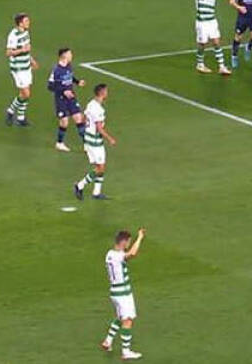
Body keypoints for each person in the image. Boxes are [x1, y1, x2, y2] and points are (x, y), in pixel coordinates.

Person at [100, 228, 145, 360]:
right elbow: (132, 253)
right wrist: (140, 237)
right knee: (128, 320)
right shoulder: (119, 256)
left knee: (120, 317)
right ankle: (126, 351)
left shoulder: (109, 254)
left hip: (114, 291)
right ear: (124, 242)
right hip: (123, 293)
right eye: (128, 242)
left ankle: (108, 341)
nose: (129, 244)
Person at [74, 84, 116, 201]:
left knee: (100, 166)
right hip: (95, 141)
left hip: (88, 138)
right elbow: (99, 129)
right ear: (102, 93)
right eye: (106, 91)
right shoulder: (99, 110)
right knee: (100, 168)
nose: (107, 93)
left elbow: (83, 118)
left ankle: (96, 192)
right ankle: (80, 185)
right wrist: (110, 139)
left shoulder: (91, 104)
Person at [193, 0, 230, 75]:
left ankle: (221, 66)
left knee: (217, 42)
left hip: (212, 21)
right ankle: (200, 64)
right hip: (202, 23)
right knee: (202, 44)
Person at [48, 47, 88, 152]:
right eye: (70, 54)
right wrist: (63, 91)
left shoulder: (69, 66)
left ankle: (86, 144)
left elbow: (70, 76)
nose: (71, 55)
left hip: (71, 97)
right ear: (64, 55)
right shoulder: (56, 70)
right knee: (64, 122)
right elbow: (50, 86)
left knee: (78, 118)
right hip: (61, 99)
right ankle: (59, 143)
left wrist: (77, 82)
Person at [4, 13, 38, 127]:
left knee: (24, 94)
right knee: (26, 93)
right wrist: (22, 50)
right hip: (18, 68)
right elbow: (8, 53)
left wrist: (31, 60)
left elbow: (27, 49)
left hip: (26, 66)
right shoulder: (13, 35)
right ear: (20, 23)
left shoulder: (26, 33)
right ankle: (10, 111)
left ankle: (20, 117)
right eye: (26, 21)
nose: (29, 22)